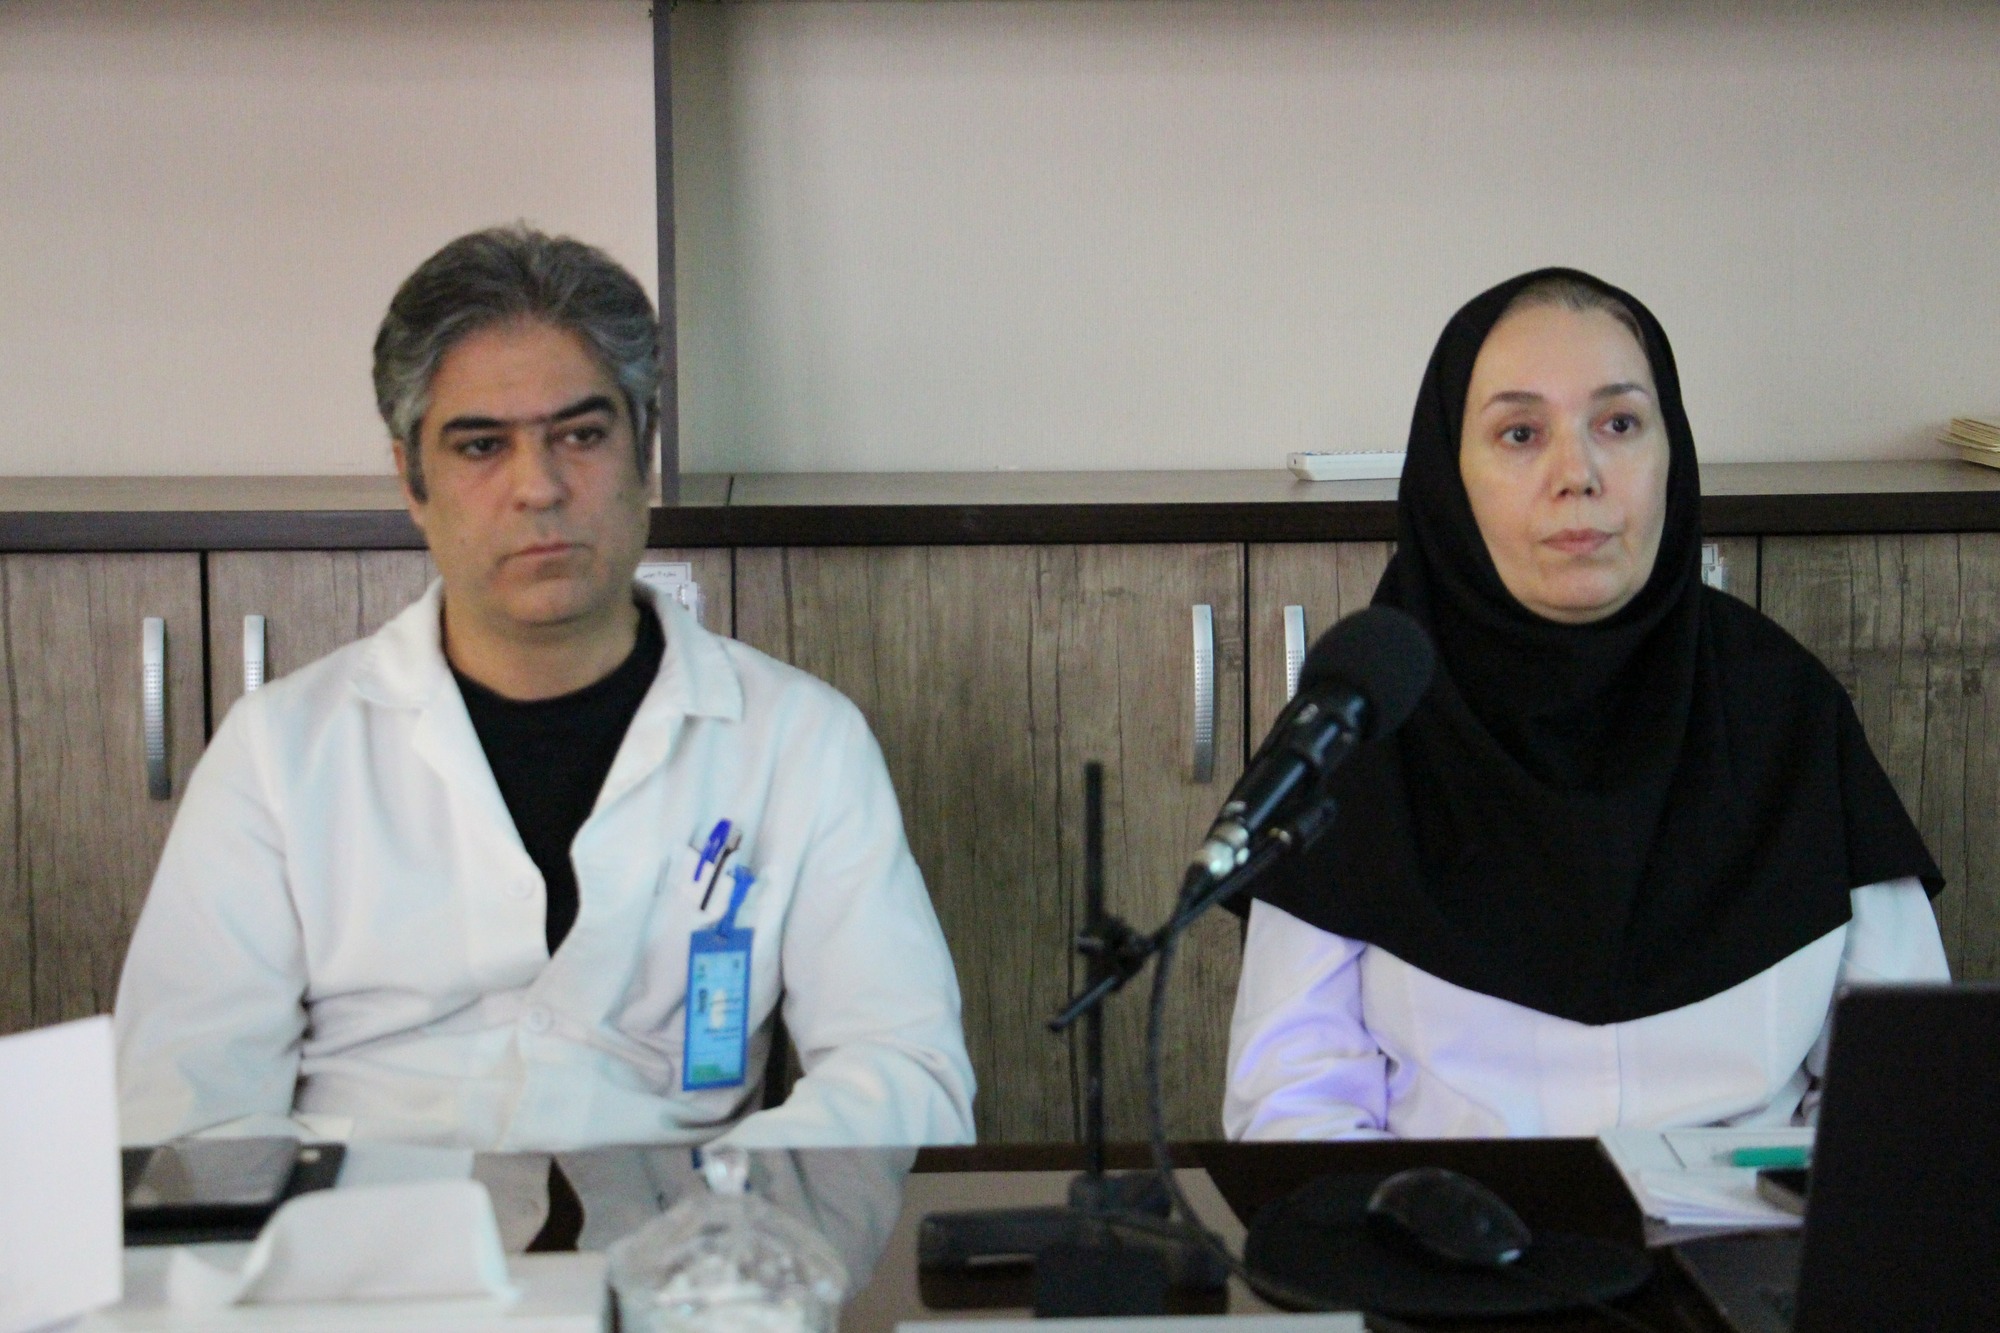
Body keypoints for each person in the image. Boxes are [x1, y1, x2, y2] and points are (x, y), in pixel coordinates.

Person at [115, 225, 976, 1149]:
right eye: (482, 445)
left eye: (581, 434)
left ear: (643, 452)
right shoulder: (280, 752)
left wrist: (717, 1204)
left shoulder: (799, 741)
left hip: (677, 1218)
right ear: (411, 479)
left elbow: (904, 1071)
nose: (539, 487)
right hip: (363, 1221)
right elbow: (178, 1105)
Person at [1224, 269, 1949, 1140]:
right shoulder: (1361, 723)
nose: (1579, 474)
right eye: (1520, 433)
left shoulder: (1785, 708)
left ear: (1671, 453)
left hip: (1747, 1223)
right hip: (1440, 1224)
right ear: (1449, 475)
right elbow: (1292, 1111)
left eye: (1619, 424)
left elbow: (1908, 1091)